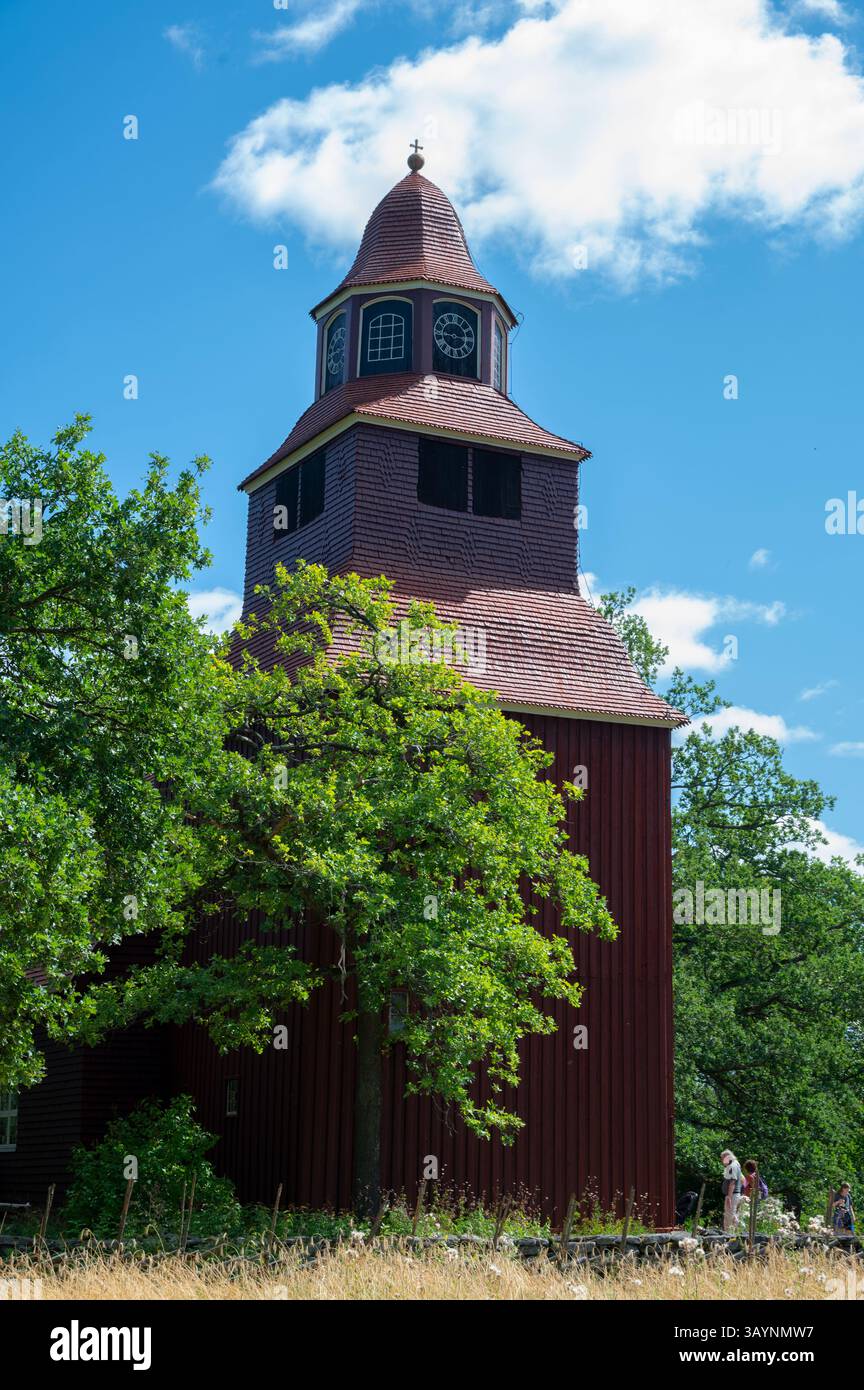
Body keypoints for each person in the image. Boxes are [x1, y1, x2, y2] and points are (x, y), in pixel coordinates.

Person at [720, 1149, 743, 1233]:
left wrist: (729, 1197)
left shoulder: (732, 1166)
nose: (722, 1160)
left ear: (727, 1157)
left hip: (732, 1195)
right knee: (732, 1215)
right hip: (734, 1194)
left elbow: (732, 1182)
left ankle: (729, 1235)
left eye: (722, 1158)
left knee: (729, 1216)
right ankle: (733, 1233)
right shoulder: (736, 1164)